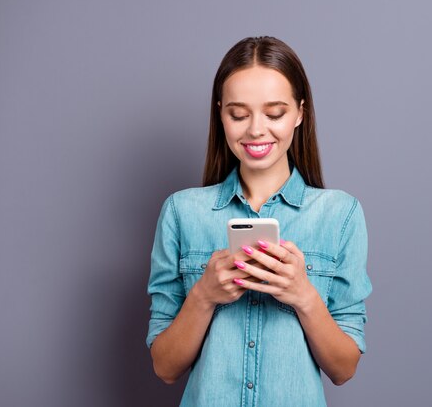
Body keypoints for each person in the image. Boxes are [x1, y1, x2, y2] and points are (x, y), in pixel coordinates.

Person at [146, 36, 372, 407]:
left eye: (274, 113)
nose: (255, 130)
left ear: (300, 112)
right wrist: (204, 295)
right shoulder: (181, 212)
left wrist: (303, 295)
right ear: (221, 114)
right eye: (238, 114)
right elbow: (165, 367)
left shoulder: (340, 214)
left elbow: (343, 368)